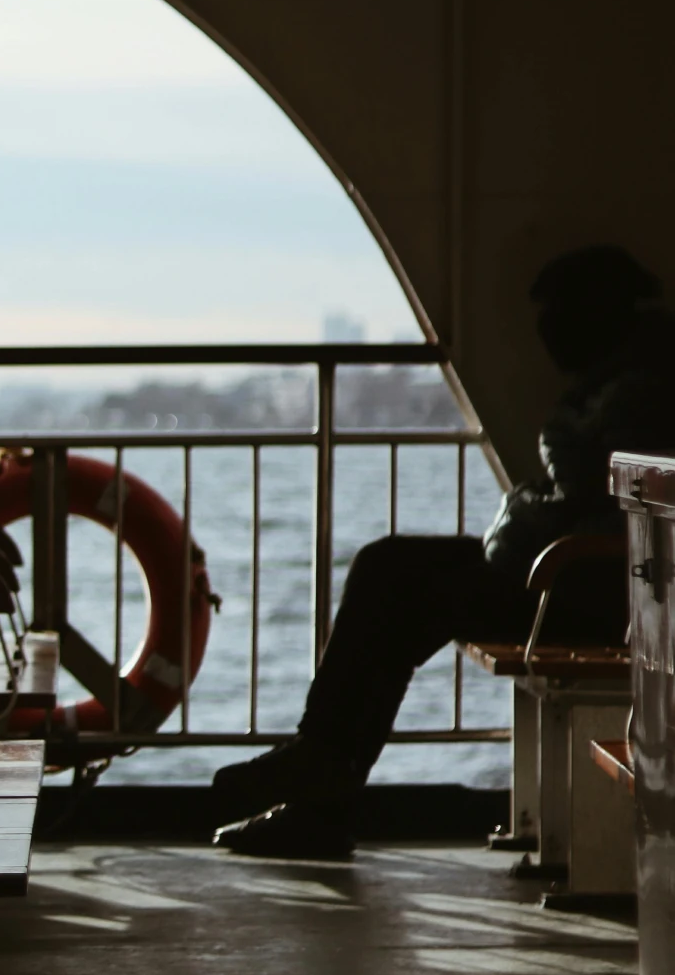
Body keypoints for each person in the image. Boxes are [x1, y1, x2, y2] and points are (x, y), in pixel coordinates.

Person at [212, 244, 675, 859]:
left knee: (404, 598)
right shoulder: (624, 376)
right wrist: (533, 506)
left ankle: (321, 787)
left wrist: (529, 501)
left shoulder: (638, 390)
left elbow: (589, 485)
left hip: (587, 589)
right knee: (387, 563)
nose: (544, 334)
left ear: (593, 315)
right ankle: (320, 767)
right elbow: (571, 494)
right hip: (570, 571)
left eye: (555, 315)